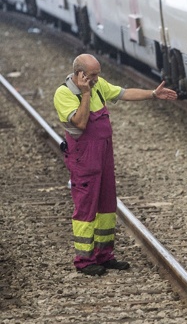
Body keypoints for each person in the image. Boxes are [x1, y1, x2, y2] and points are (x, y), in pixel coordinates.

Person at [53, 53, 178, 276]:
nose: (96, 78)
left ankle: (104, 255)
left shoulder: (98, 85)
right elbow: (80, 123)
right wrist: (85, 93)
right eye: (92, 75)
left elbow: (123, 93)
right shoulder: (64, 94)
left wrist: (152, 94)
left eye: (97, 74)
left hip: (103, 154)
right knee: (86, 206)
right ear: (80, 74)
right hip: (84, 157)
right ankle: (84, 259)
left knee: (107, 204)